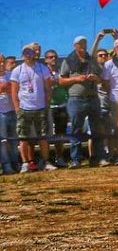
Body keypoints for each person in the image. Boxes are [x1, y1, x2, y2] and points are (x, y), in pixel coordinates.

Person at [59, 34, 107, 168]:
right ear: (75, 46)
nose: (83, 45)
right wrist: (76, 79)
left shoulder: (91, 60)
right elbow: (61, 80)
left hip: (93, 98)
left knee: (97, 129)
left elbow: (100, 78)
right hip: (76, 99)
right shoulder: (68, 61)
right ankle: (76, 159)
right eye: (80, 43)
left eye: (84, 43)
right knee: (76, 130)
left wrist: (95, 78)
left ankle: (99, 158)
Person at [10, 44, 56, 172]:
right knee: (23, 137)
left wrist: (47, 104)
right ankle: (25, 163)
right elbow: (14, 92)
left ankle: (45, 162)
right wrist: (17, 109)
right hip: (24, 108)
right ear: (22, 55)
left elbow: (48, 88)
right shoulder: (17, 70)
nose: (28, 55)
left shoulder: (42, 68)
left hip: (40, 108)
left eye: (30, 52)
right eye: (26, 53)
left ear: (34, 54)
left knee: (42, 137)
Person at [43, 48, 68, 167]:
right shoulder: (42, 72)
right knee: (46, 133)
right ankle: (46, 159)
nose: (53, 59)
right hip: (48, 106)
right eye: (50, 57)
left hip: (62, 105)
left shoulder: (61, 71)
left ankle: (59, 157)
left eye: (55, 57)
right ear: (46, 60)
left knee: (60, 133)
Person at [0, 54, 17, 174]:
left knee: (14, 141)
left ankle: (15, 163)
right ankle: (6, 166)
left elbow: (16, 88)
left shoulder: (11, 75)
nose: (1, 64)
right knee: (3, 141)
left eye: (3, 61)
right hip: (1, 113)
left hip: (12, 111)